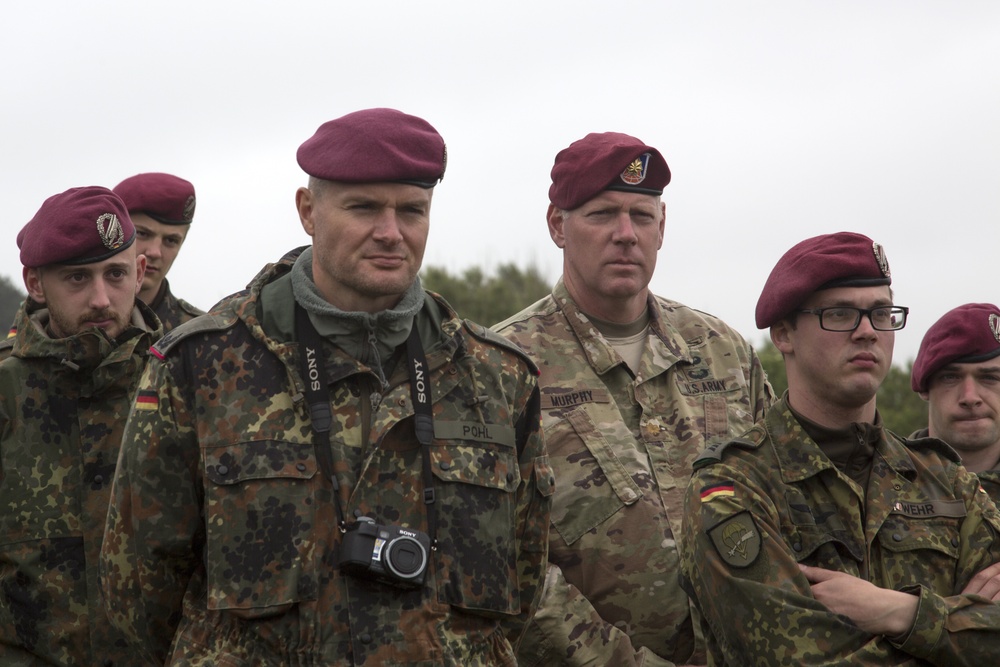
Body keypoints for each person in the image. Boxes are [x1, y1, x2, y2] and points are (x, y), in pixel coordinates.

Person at [100, 108, 553, 666]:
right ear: (308, 211)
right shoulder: (202, 363)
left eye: (412, 210)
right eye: (363, 207)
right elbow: (139, 586)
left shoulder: (497, 376)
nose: (390, 232)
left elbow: (524, 578)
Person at [494, 132, 773, 666]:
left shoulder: (722, 353)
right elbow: (504, 562)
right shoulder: (502, 367)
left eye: (642, 217)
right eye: (602, 215)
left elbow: (783, 507)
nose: (626, 235)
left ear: (662, 227)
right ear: (558, 225)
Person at [679, 232, 1000, 665]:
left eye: (881, 314)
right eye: (840, 313)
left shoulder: (945, 479)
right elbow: (798, 658)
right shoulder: (733, 486)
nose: (867, 331)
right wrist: (957, 631)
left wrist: (903, 614)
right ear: (784, 334)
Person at [0, 186, 161, 665]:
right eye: (76, 278)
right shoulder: (6, 393)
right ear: (35, 283)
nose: (100, 299)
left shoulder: (186, 381)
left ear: (140, 272)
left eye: (115, 274)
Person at [911, 302, 1000, 500]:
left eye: (990, 378)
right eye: (950, 377)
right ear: (925, 389)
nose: (970, 397)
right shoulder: (878, 481)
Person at [112, 172, 204, 331]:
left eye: (171, 240)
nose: (155, 252)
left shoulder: (199, 334)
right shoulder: (64, 323)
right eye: (142, 233)